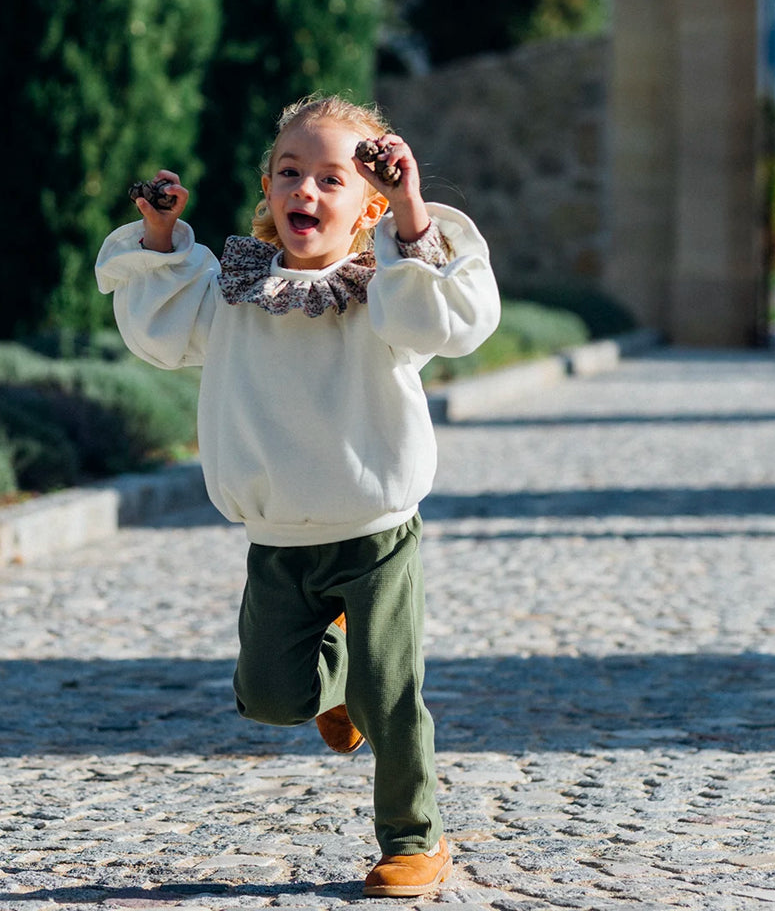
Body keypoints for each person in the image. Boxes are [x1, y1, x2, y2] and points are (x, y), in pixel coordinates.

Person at [95, 95, 500, 897]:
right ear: (268, 189)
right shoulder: (232, 292)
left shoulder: (387, 288)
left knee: (393, 697)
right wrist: (161, 235)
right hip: (277, 535)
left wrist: (414, 210)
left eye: (329, 177)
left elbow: (448, 319)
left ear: (367, 205)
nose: (305, 191)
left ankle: (414, 840)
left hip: (376, 531)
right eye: (290, 172)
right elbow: (159, 328)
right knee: (269, 697)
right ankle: (336, 676)